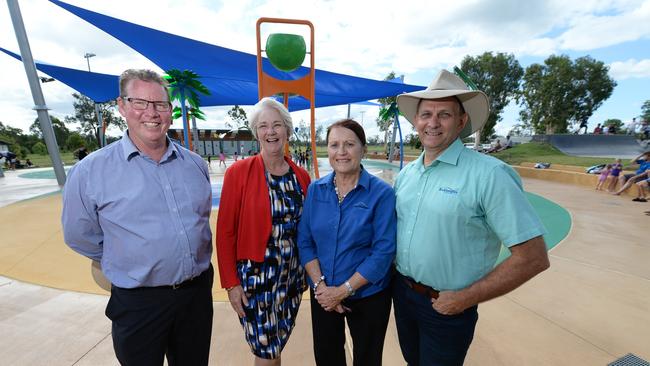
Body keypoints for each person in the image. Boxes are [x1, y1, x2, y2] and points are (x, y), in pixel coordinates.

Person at [392, 69, 550, 365]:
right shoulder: (406, 175)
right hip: (402, 297)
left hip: (448, 306)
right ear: (416, 121)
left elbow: (533, 257)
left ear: (462, 121)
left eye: (445, 115)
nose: (433, 123)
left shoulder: (490, 175)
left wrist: (464, 298)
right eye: (426, 114)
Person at [62, 69, 214, 366]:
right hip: (138, 304)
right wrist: (127, 257)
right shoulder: (91, 172)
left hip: (195, 297)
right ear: (122, 106)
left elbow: (200, 223)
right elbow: (78, 235)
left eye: (160, 104)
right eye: (140, 102)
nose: (152, 113)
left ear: (170, 111)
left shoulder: (195, 165)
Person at [216, 97, 310, 365]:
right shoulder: (238, 173)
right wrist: (231, 283)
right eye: (264, 126)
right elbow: (225, 232)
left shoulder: (300, 176)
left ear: (287, 130)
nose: (271, 132)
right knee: (266, 352)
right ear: (256, 132)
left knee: (274, 347)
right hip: (257, 280)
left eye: (277, 125)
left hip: (291, 279)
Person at [297, 119, 396, 366]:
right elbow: (305, 241)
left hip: (369, 296)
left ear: (362, 148)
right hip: (323, 294)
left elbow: (383, 252)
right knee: (327, 357)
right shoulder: (316, 190)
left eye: (349, 144)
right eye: (334, 145)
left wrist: (342, 291)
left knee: (367, 359)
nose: (341, 152)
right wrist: (321, 287)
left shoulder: (381, 194)